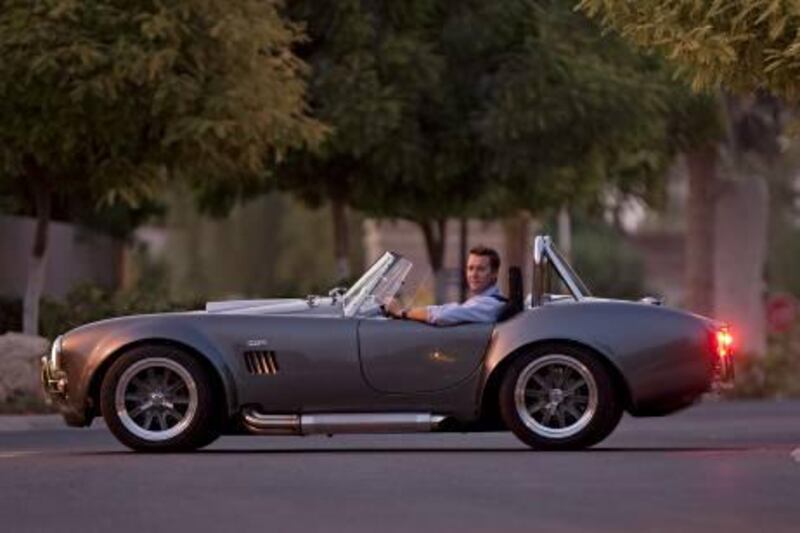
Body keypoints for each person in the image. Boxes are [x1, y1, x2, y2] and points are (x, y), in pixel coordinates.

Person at [385, 245, 506, 326]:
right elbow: (447, 309)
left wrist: (401, 313)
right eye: (470, 268)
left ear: (494, 274)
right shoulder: (482, 302)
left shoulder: (490, 305)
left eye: (480, 269)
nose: (473, 274)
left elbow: (443, 315)